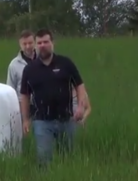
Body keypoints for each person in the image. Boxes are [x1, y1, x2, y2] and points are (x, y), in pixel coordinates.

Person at [19, 29, 91, 167]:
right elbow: (24, 95)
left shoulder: (65, 63)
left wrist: (81, 107)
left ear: (52, 43)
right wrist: (26, 119)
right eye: (39, 43)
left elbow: (80, 86)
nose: (42, 45)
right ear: (35, 45)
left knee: (68, 159)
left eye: (46, 42)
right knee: (44, 160)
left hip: (66, 120)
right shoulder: (30, 69)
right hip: (42, 121)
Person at [6, 30, 37, 116]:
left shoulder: (42, 60)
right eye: (24, 44)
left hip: (41, 105)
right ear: (20, 45)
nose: (28, 46)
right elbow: (10, 88)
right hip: (22, 106)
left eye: (30, 43)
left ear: (35, 42)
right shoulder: (14, 65)